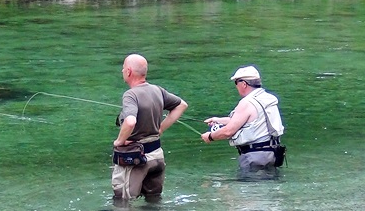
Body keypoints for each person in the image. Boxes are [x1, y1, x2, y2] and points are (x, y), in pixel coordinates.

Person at [112, 53, 188, 202]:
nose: (122, 71)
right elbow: (181, 105)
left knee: (122, 202)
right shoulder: (157, 90)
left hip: (136, 159)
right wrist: (160, 128)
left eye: (123, 68)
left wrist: (119, 141)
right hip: (157, 156)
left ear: (128, 71)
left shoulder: (130, 95)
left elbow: (130, 121)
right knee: (153, 202)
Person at [201, 65, 285, 175]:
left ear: (243, 84)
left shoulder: (247, 103)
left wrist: (210, 137)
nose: (236, 86)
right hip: (273, 154)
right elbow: (250, 120)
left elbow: (228, 131)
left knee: (249, 190)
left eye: (236, 83)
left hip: (254, 157)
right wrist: (218, 120)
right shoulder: (267, 98)